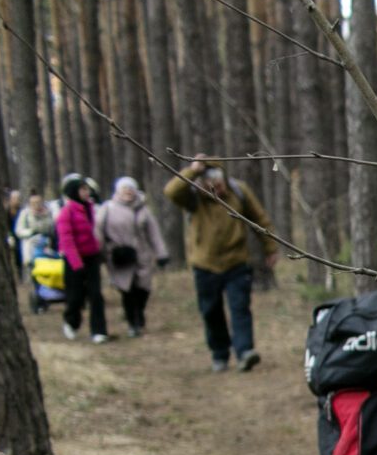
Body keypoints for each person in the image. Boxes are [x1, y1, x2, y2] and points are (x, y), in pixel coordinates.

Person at [164, 157, 275, 371]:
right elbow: (171, 191)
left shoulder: (239, 192)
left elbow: (260, 219)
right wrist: (192, 170)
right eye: (209, 180)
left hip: (237, 263)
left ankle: (244, 352)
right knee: (211, 311)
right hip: (205, 265)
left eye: (218, 179)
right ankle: (219, 354)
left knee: (240, 308)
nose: (215, 185)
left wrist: (270, 247)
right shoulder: (194, 196)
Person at [95, 177, 169, 338]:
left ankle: (139, 312)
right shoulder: (107, 208)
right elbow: (98, 231)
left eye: (131, 189)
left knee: (143, 288)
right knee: (127, 290)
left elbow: (154, 233)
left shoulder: (143, 210)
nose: (128, 192)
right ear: (118, 191)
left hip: (142, 254)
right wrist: (101, 252)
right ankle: (132, 322)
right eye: (124, 189)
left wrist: (161, 253)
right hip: (119, 255)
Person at [54, 175, 108, 344]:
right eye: (83, 189)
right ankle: (71, 321)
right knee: (75, 295)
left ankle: (99, 330)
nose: (87, 192)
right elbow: (66, 239)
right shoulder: (66, 212)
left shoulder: (92, 208)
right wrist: (77, 264)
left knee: (96, 295)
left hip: (92, 257)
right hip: (73, 260)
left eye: (87, 189)